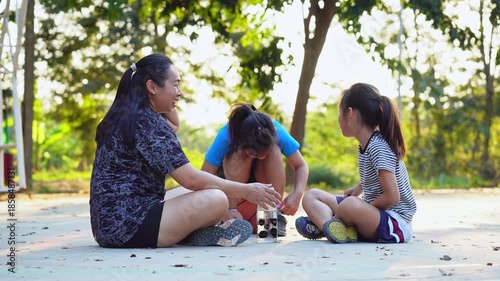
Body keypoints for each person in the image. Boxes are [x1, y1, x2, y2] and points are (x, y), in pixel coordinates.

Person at [89, 54, 281, 248]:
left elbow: (174, 124)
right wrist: (247, 190)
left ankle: (195, 234)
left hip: (110, 224)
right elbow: (191, 179)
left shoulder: (130, 117)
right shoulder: (148, 123)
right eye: (175, 85)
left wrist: (155, 96)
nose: (180, 93)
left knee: (208, 191)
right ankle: (192, 233)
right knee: (216, 198)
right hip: (129, 226)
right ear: (152, 87)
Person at [295, 83, 417, 243]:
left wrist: (364, 207)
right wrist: (359, 187)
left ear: (350, 113)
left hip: (395, 223)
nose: (339, 118)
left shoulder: (378, 147)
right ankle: (333, 228)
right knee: (311, 196)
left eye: (340, 112)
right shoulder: (366, 144)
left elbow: (393, 197)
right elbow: (380, 176)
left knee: (350, 205)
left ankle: (329, 225)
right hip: (376, 216)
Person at [201, 103, 309, 236]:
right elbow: (204, 176)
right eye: (254, 154)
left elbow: (301, 165)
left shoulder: (275, 130)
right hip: (233, 193)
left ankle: (271, 215)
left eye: (264, 154)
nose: (261, 157)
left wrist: (297, 194)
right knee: (237, 154)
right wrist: (225, 210)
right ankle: (232, 213)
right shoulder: (227, 134)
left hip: (261, 194)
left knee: (274, 150)